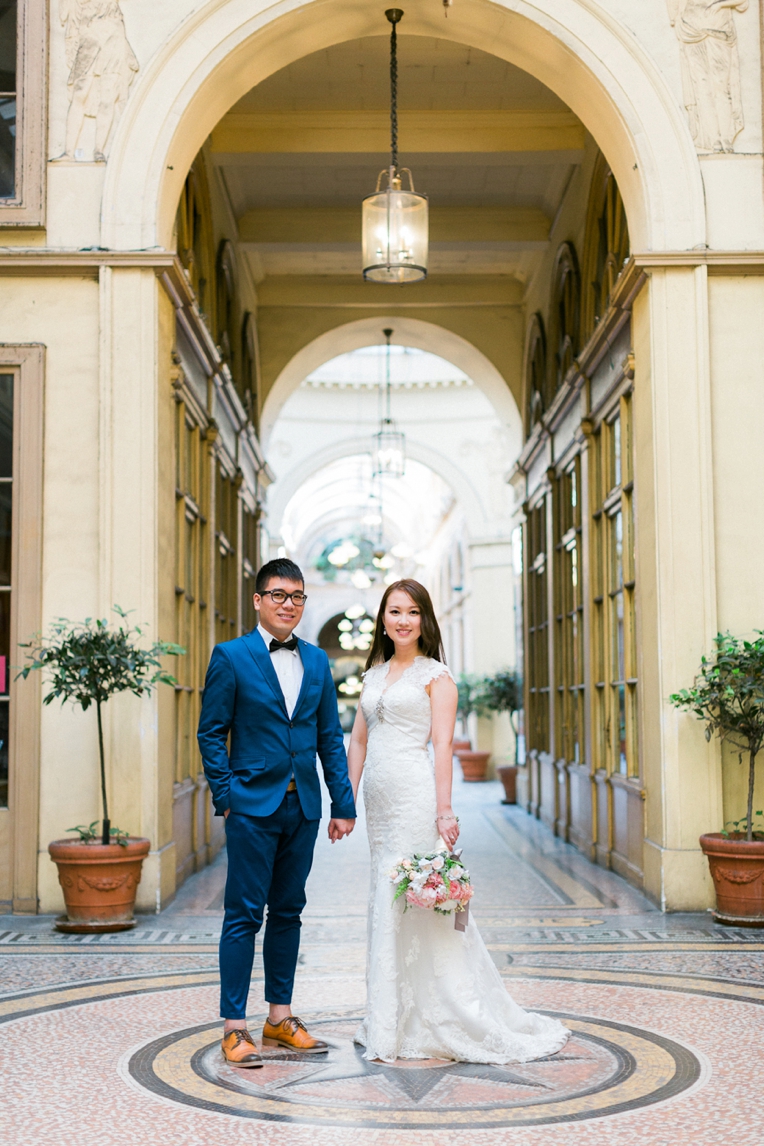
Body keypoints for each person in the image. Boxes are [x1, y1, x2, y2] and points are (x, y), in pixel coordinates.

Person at [347, 579, 569, 1064]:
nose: (402, 620)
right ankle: (390, 1015)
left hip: (414, 797)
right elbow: (359, 741)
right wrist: (346, 799)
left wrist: (444, 809)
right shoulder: (373, 676)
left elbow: (442, 745)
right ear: (382, 619)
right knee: (385, 896)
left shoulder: (436, 676)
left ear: (424, 619)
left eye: (412, 612)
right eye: (394, 611)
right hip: (380, 808)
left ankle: (444, 1014)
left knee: (417, 897)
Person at [197, 558, 356, 1068]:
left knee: (289, 912)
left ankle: (280, 1017)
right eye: (279, 595)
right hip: (251, 805)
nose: (289, 604)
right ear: (258, 600)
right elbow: (211, 733)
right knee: (243, 914)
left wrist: (342, 803)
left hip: (303, 806)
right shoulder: (231, 656)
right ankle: (235, 1027)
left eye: (298, 596)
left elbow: (330, 737)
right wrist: (226, 797)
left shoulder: (316, 661)